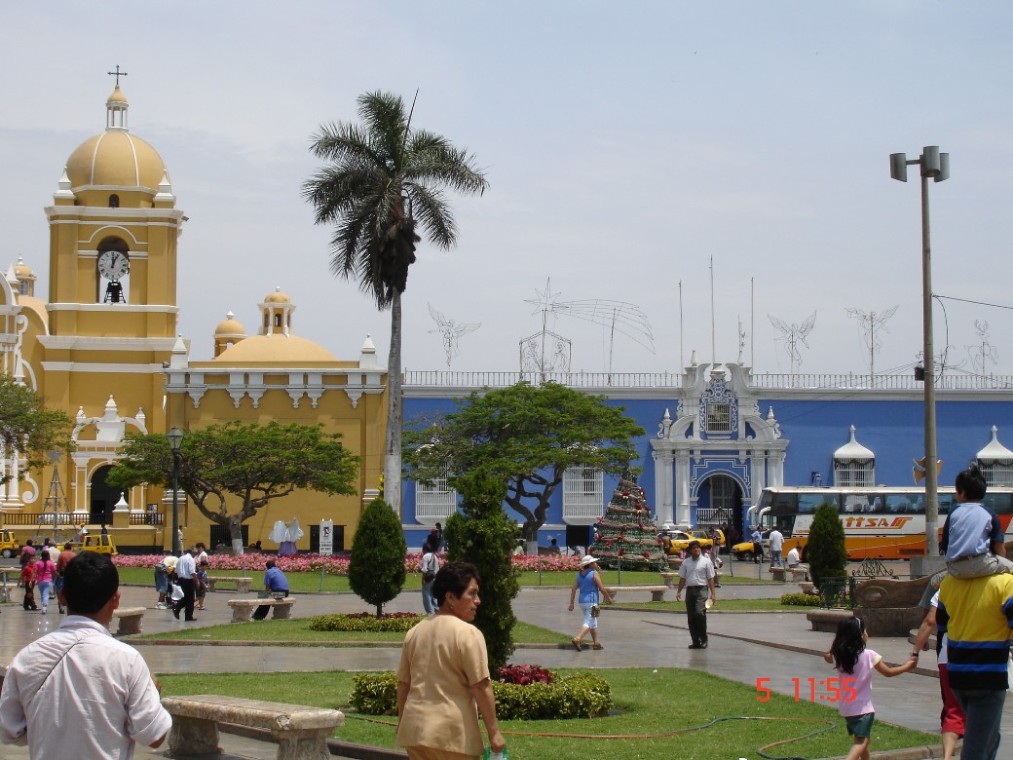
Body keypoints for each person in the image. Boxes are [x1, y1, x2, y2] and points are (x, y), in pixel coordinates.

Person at [0, 551, 172, 758]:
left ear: (62, 596)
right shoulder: (127, 660)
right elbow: (154, 736)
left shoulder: (28, 657)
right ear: (115, 600)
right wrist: (152, 693)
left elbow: (9, 731)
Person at [396, 562, 505, 760]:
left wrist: (402, 721)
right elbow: (481, 686)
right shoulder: (468, 634)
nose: (478, 601)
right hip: (452, 736)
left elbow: (404, 683)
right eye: (472, 594)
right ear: (450, 597)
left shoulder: (415, 632)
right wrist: (494, 733)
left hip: (415, 732)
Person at [937, 570, 1013, 759]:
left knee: (989, 738)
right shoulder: (1005, 582)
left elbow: (941, 625)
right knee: (977, 746)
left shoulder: (949, 582)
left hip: (957, 673)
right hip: (989, 675)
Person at [823, 617, 916, 760]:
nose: (867, 633)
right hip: (863, 709)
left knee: (864, 741)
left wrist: (837, 642)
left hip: (847, 708)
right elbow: (888, 672)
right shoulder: (869, 655)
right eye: (865, 630)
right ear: (860, 635)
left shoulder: (839, 656)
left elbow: (827, 656)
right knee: (861, 742)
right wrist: (907, 666)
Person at [912, 590, 965, 760]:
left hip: (949, 654)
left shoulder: (946, 589)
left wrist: (915, 651)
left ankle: (947, 756)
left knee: (953, 711)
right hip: (984, 657)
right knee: (982, 714)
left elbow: (930, 621)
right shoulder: (996, 584)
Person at [941, 464, 1013, 579]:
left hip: (954, 568)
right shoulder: (989, 514)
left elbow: (945, 543)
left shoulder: (953, 513)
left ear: (962, 492)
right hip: (980, 564)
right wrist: (1000, 560)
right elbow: (998, 546)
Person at [567, 554, 614, 651]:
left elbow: (573, 589)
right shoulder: (594, 573)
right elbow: (601, 588)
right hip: (592, 602)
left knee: (593, 622)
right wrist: (608, 598)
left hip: (582, 602)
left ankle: (596, 643)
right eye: (594, 562)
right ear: (591, 564)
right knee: (589, 622)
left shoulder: (579, 574)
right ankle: (578, 639)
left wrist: (571, 603)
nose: (596, 564)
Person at [676, 540, 716, 649]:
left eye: (698, 547)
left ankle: (703, 639)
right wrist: (679, 591)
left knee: (699, 613)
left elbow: (711, 578)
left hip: (702, 590)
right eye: (694, 548)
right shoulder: (686, 562)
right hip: (690, 590)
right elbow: (682, 578)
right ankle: (695, 641)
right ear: (690, 551)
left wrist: (713, 594)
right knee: (691, 617)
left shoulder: (706, 562)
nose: (696, 549)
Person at [172, 546, 197, 621]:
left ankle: (179, 609)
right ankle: (185, 614)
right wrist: (197, 581)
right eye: (195, 554)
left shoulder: (180, 558)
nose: (195, 556)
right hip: (188, 580)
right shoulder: (191, 559)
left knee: (186, 597)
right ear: (193, 553)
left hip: (181, 580)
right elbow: (192, 572)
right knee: (190, 599)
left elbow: (176, 571)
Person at [420, 540, 440, 615]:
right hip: (435, 578)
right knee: (434, 595)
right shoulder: (435, 556)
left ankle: (430, 612)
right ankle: (437, 610)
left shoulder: (425, 556)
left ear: (424, 549)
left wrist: (423, 579)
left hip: (428, 579)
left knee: (426, 594)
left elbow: (424, 570)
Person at [32, 550, 56, 614]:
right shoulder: (51, 563)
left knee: (43, 594)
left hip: (40, 581)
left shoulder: (38, 563)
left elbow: (34, 572)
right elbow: (54, 571)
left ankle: (44, 606)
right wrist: (53, 579)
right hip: (48, 580)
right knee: (46, 594)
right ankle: (44, 607)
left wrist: (32, 580)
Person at [55, 542, 75, 615]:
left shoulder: (62, 554)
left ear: (64, 548)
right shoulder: (74, 555)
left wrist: (57, 572)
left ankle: (61, 605)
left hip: (63, 574)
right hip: (72, 575)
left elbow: (58, 565)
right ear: (71, 548)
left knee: (59, 589)